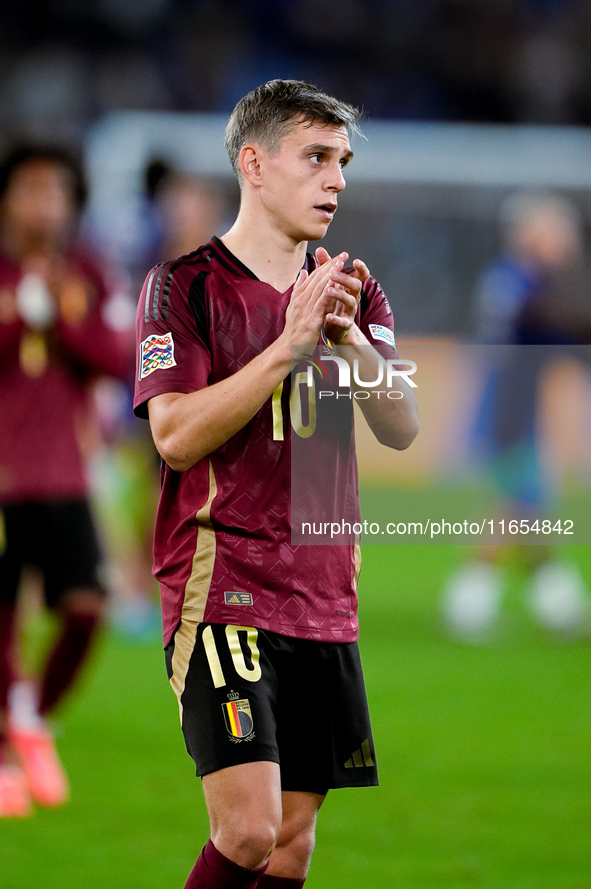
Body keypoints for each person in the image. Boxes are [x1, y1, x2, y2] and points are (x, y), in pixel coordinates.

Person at [134, 79, 419, 889]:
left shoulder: (351, 290)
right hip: (225, 589)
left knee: (292, 842)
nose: (336, 180)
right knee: (249, 829)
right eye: (317, 158)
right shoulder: (183, 287)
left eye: (343, 162)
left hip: (324, 593)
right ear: (253, 164)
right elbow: (177, 436)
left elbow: (400, 423)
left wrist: (346, 342)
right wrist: (288, 348)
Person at [0, 144, 133, 817]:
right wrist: (26, 315)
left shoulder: (90, 275)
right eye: (30, 189)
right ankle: (5, 756)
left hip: (64, 475)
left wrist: (62, 315)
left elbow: (118, 358)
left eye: (56, 191)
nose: (45, 204)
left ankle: (31, 718)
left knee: (85, 609)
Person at [443, 192, 591, 639]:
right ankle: (469, 604)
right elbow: (556, 336)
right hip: (510, 411)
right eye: (559, 233)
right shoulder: (526, 286)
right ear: (533, 236)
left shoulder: (510, 281)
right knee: (516, 504)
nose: (569, 243)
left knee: (527, 506)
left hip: (510, 408)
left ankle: (557, 605)